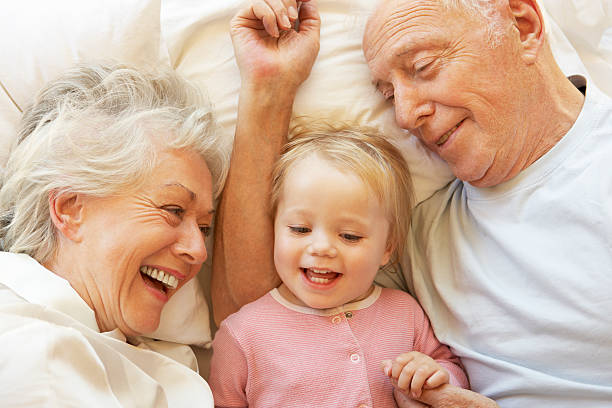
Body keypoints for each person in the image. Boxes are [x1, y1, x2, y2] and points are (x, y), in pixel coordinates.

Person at [215, 0, 612, 407]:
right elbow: (256, 306)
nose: (404, 115)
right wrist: (270, 86)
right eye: (388, 95)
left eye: (424, 67)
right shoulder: (418, 230)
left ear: (523, 26)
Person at [0, 62, 229, 407]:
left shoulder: (114, 348)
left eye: (205, 228)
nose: (199, 250)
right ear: (70, 209)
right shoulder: (32, 352)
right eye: (173, 210)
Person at [209, 124, 469, 407]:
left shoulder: (405, 313)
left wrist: (436, 375)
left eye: (349, 236)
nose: (321, 247)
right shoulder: (242, 334)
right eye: (299, 229)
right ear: (274, 229)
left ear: (388, 247)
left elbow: (454, 375)